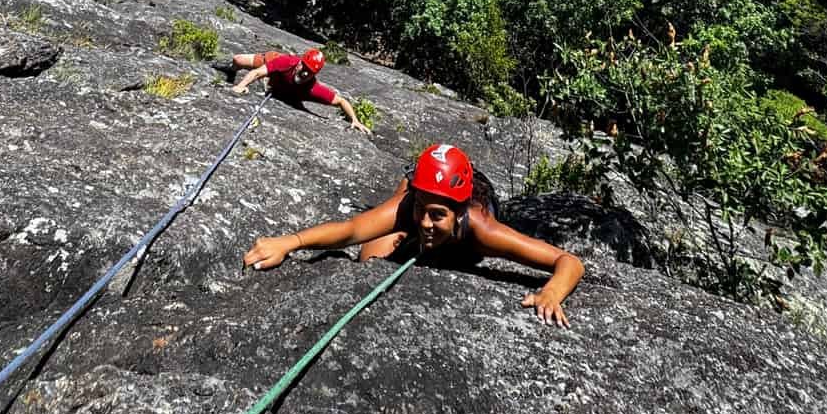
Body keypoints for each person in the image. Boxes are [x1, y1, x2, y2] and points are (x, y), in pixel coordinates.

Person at [243, 142, 583, 326]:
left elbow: (568, 261)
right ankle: (407, 206)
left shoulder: (481, 227)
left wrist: (552, 292)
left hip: (472, 209)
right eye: (422, 211)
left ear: (459, 212)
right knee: (370, 258)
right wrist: (290, 242)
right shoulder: (410, 206)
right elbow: (351, 231)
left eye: (437, 216)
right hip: (418, 193)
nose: (425, 222)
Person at [230, 46, 371, 135]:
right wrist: (241, 85)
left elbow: (340, 101)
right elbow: (257, 73)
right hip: (273, 63)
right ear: (300, 63)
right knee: (238, 60)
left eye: (310, 72)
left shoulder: (312, 88)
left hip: (279, 85)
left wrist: (355, 120)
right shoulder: (286, 62)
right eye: (304, 68)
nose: (305, 73)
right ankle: (231, 71)